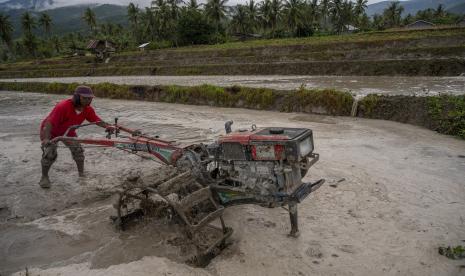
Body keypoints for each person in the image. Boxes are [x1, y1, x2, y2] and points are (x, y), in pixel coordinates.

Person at [39, 85, 111, 189]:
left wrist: (108, 126)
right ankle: (44, 177)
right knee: (50, 154)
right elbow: (49, 123)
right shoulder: (63, 106)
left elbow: (96, 120)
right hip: (51, 131)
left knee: (78, 151)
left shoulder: (87, 109)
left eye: (89, 98)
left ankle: (81, 175)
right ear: (77, 97)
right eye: (84, 98)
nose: (87, 100)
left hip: (68, 131)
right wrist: (46, 139)